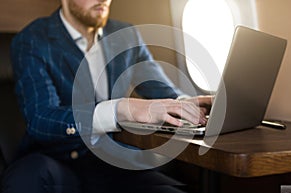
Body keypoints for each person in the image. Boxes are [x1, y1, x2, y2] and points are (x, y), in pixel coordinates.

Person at [1, 0, 212, 193]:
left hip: (113, 163)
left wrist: (185, 104)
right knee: (27, 179)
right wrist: (119, 109)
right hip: (54, 160)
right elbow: (40, 119)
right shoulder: (32, 39)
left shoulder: (126, 34)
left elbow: (162, 90)